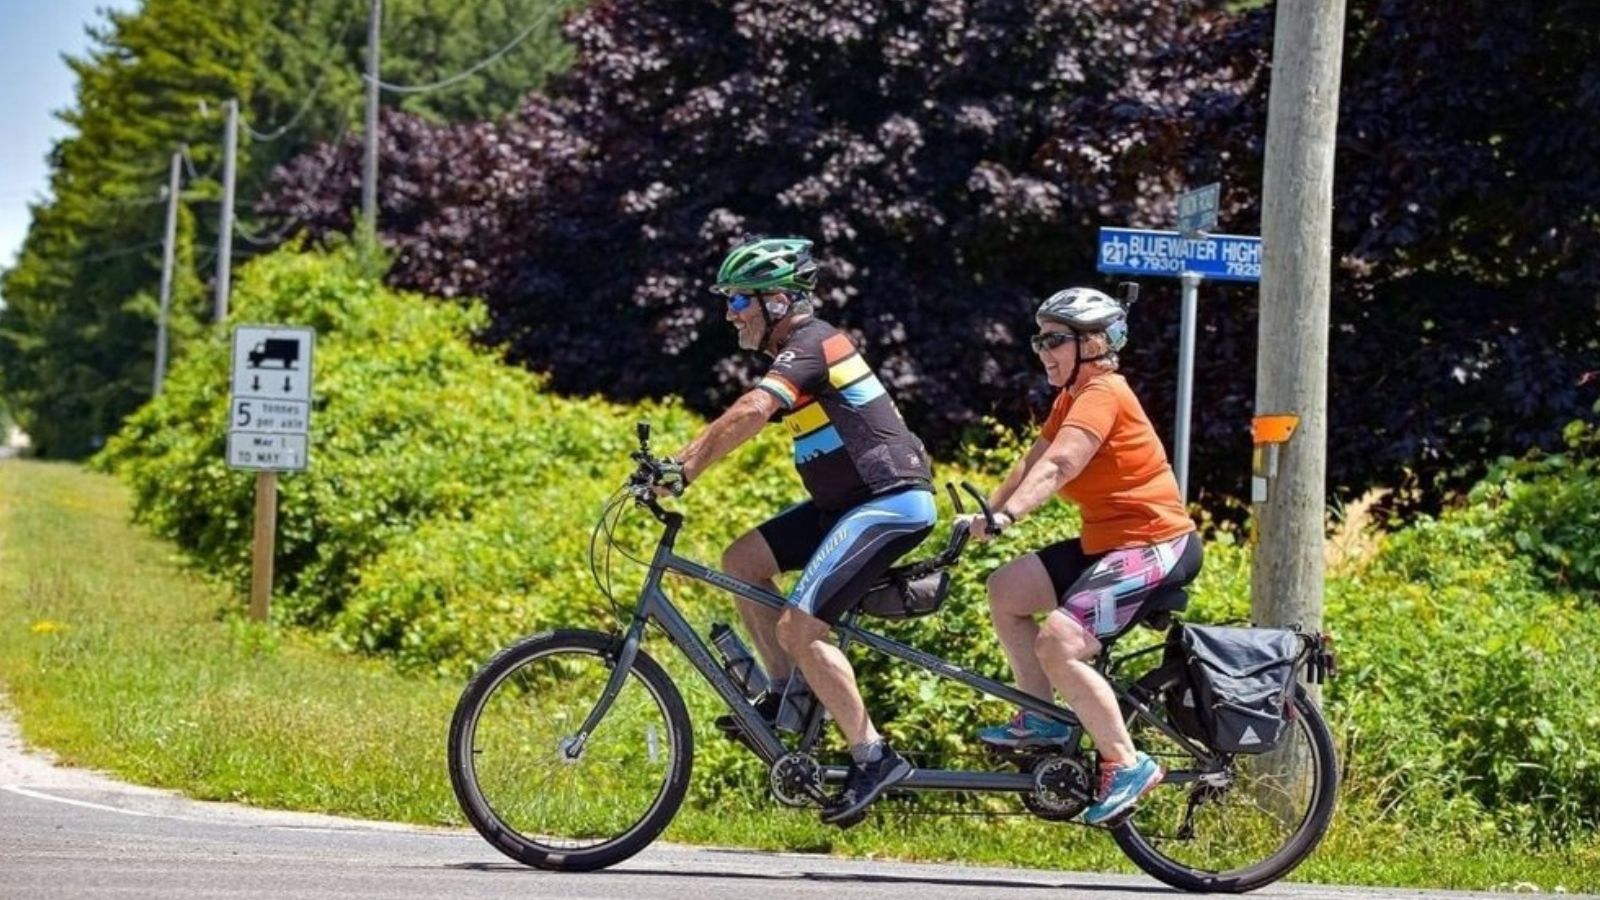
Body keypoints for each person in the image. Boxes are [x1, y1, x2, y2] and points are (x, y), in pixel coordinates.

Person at [655, 236, 937, 827]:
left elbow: (753, 412)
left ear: (779, 301)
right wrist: (671, 466)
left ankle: (873, 755)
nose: (729, 314)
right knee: (742, 561)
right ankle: (789, 698)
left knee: (801, 626)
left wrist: (686, 470)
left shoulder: (816, 343)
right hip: (846, 505)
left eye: (738, 301)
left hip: (891, 501)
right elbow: (736, 418)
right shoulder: (798, 348)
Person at [965, 286, 1202, 826]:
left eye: (1054, 340)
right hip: (1111, 544)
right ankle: (1043, 717)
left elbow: (1062, 465)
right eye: (1039, 339)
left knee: (1062, 642)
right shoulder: (1072, 396)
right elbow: (1037, 458)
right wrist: (987, 512)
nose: (1043, 351)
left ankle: (1126, 761)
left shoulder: (1103, 394)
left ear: (1093, 344)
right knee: (1007, 590)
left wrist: (1010, 518)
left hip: (1155, 543)